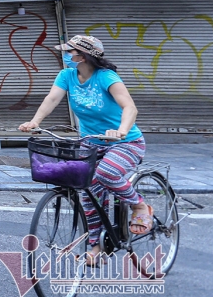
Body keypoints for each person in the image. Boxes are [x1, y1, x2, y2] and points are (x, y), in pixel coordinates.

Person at [18, 34, 152, 263]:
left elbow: (130, 107)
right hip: (91, 142)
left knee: (106, 173)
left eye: (70, 52)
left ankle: (139, 205)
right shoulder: (67, 75)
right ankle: (95, 246)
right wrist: (35, 122)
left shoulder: (107, 77)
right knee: (87, 190)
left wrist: (120, 130)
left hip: (126, 142)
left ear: (83, 56)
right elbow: (51, 99)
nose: (66, 56)